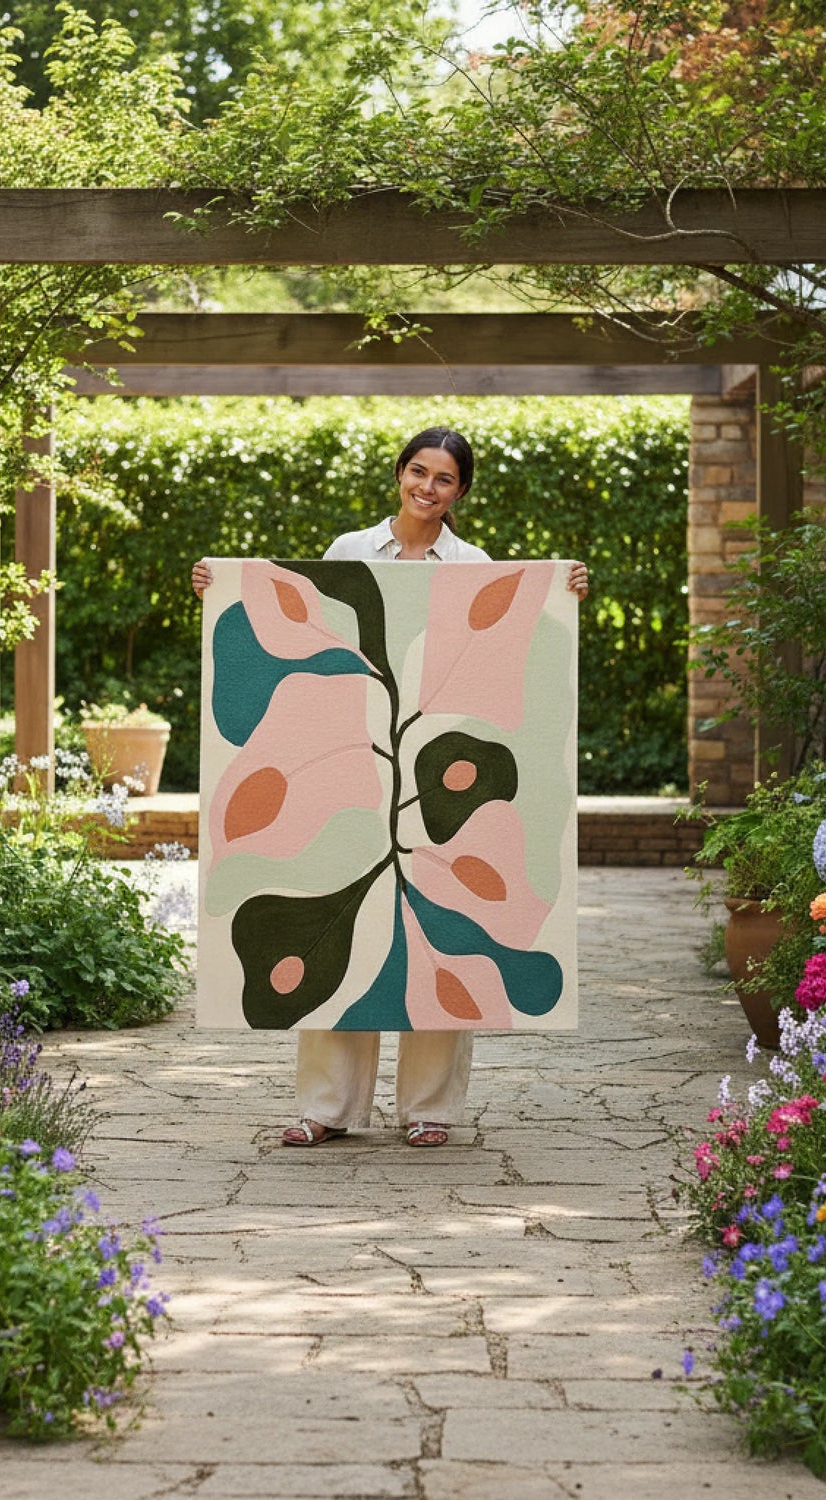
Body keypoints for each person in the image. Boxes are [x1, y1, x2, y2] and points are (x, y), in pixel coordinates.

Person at [192, 427, 588, 1148]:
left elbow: (503, 649)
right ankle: (327, 1108)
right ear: (399, 474)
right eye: (418, 472)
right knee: (338, 915)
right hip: (355, 754)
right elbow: (307, 628)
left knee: (443, 928)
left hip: (437, 762)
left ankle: (429, 1109)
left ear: (460, 491)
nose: (427, 488)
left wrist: (564, 594)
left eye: (444, 479)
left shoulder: (473, 564)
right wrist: (219, 591)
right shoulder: (350, 550)